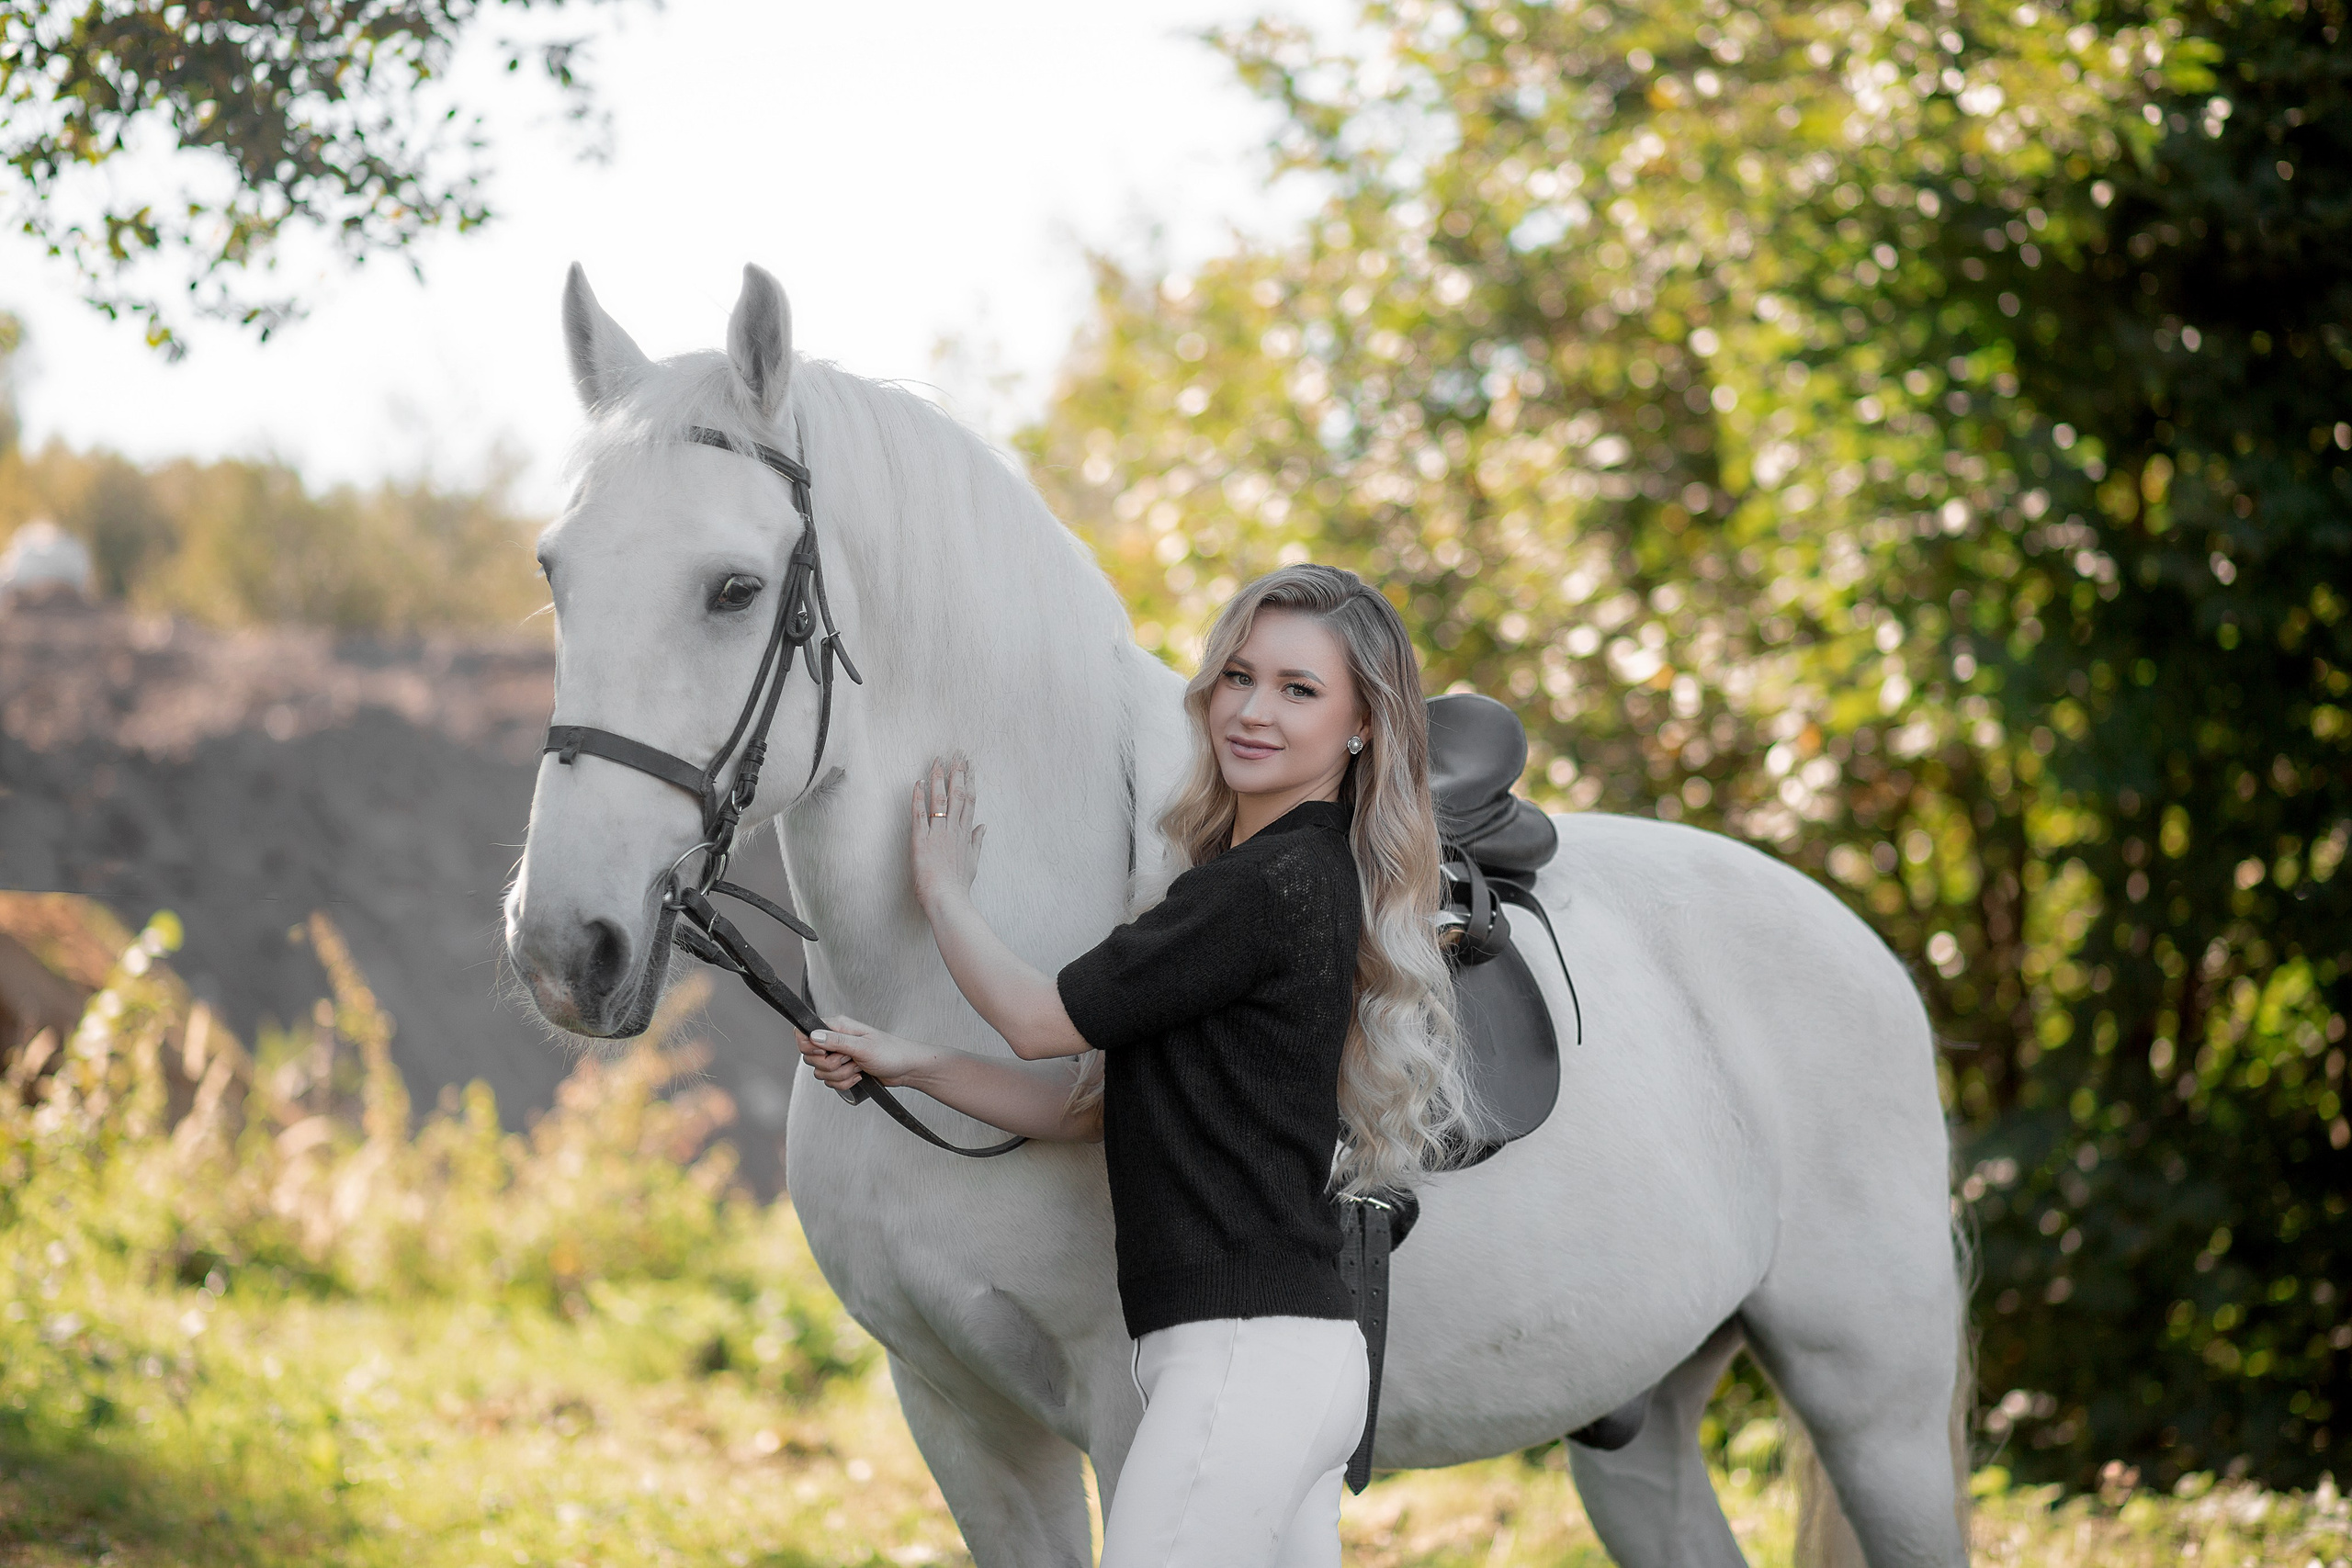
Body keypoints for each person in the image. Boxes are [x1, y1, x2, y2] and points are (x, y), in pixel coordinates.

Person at [794, 563, 1473, 1568]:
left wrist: (942, 893)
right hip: (1287, 1358)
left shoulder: (1259, 887)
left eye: (1299, 691)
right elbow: (1080, 1111)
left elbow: (1036, 1020)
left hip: (1242, 1360)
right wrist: (910, 1060)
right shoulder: (1283, 879)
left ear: (1363, 723)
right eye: (1238, 676)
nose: (1252, 711)